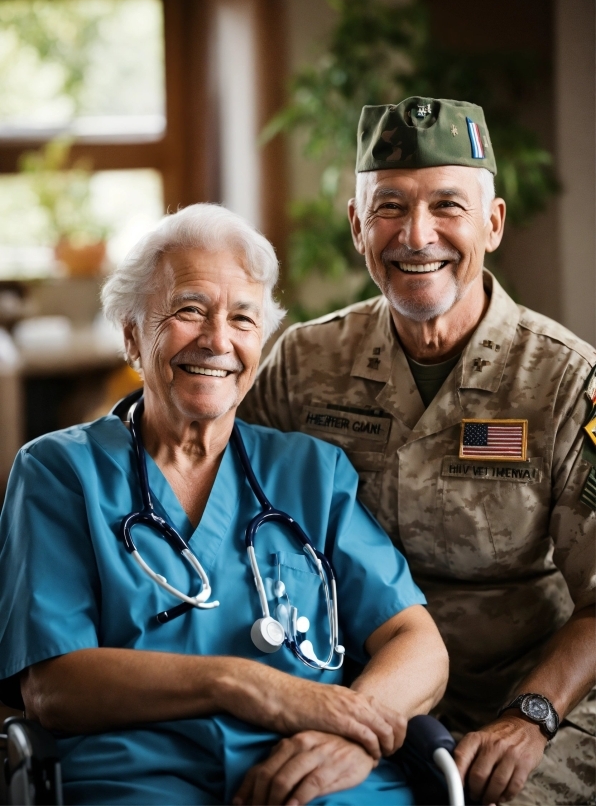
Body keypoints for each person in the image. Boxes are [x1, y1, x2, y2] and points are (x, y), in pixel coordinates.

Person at [0, 204, 449, 806]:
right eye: (190, 310)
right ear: (132, 333)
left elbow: (416, 641)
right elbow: (54, 686)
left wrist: (353, 734)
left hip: (323, 783)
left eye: (243, 318)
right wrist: (240, 684)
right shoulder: (59, 472)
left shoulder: (311, 472)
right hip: (143, 781)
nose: (218, 341)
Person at [240, 97, 596, 806]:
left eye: (447, 207)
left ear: (492, 224)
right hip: (351, 686)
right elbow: (231, 518)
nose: (417, 235)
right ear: (356, 226)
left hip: (530, 693)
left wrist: (530, 718)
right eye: (390, 207)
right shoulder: (304, 364)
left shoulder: (567, 381)